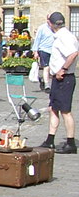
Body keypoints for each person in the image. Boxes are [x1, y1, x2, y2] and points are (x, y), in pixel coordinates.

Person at [38, 12, 78, 154]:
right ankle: (50, 140)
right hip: (58, 78)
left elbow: (73, 53)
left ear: (50, 24)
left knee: (65, 111)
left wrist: (63, 69)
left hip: (64, 78)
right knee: (53, 108)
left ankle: (71, 143)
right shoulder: (63, 35)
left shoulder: (63, 37)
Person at [31, 15, 55, 91]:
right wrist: (35, 51)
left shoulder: (55, 28)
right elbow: (37, 39)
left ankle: (45, 81)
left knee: (53, 68)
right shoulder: (42, 28)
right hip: (44, 50)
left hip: (54, 50)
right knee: (46, 67)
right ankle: (47, 85)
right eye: (48, 19)